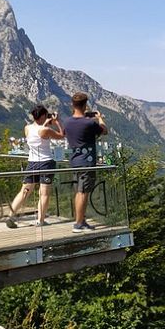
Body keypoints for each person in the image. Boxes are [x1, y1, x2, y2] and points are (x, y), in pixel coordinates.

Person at [6, 105, 65, 229]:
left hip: (32, 162)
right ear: (43, 116)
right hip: (46, 162)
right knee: (43, 193)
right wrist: (57, 122)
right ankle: (40, 220)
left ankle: (11, 216)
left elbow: (39, 135)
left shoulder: (27, 128)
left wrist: (47, 123)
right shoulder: (45, 130)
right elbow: (61, 135)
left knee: (24, 191)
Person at [63, 92, 108, 232]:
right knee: (83, 192)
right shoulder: (89, 123)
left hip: (74, 161)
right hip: (87, 162)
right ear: (85, 105)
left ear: (73, 104)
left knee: (79, 191)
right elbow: (104, 131)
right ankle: (78, 224)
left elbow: (66, 133)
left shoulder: (67, 122)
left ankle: (81, 220)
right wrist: (99, 119)